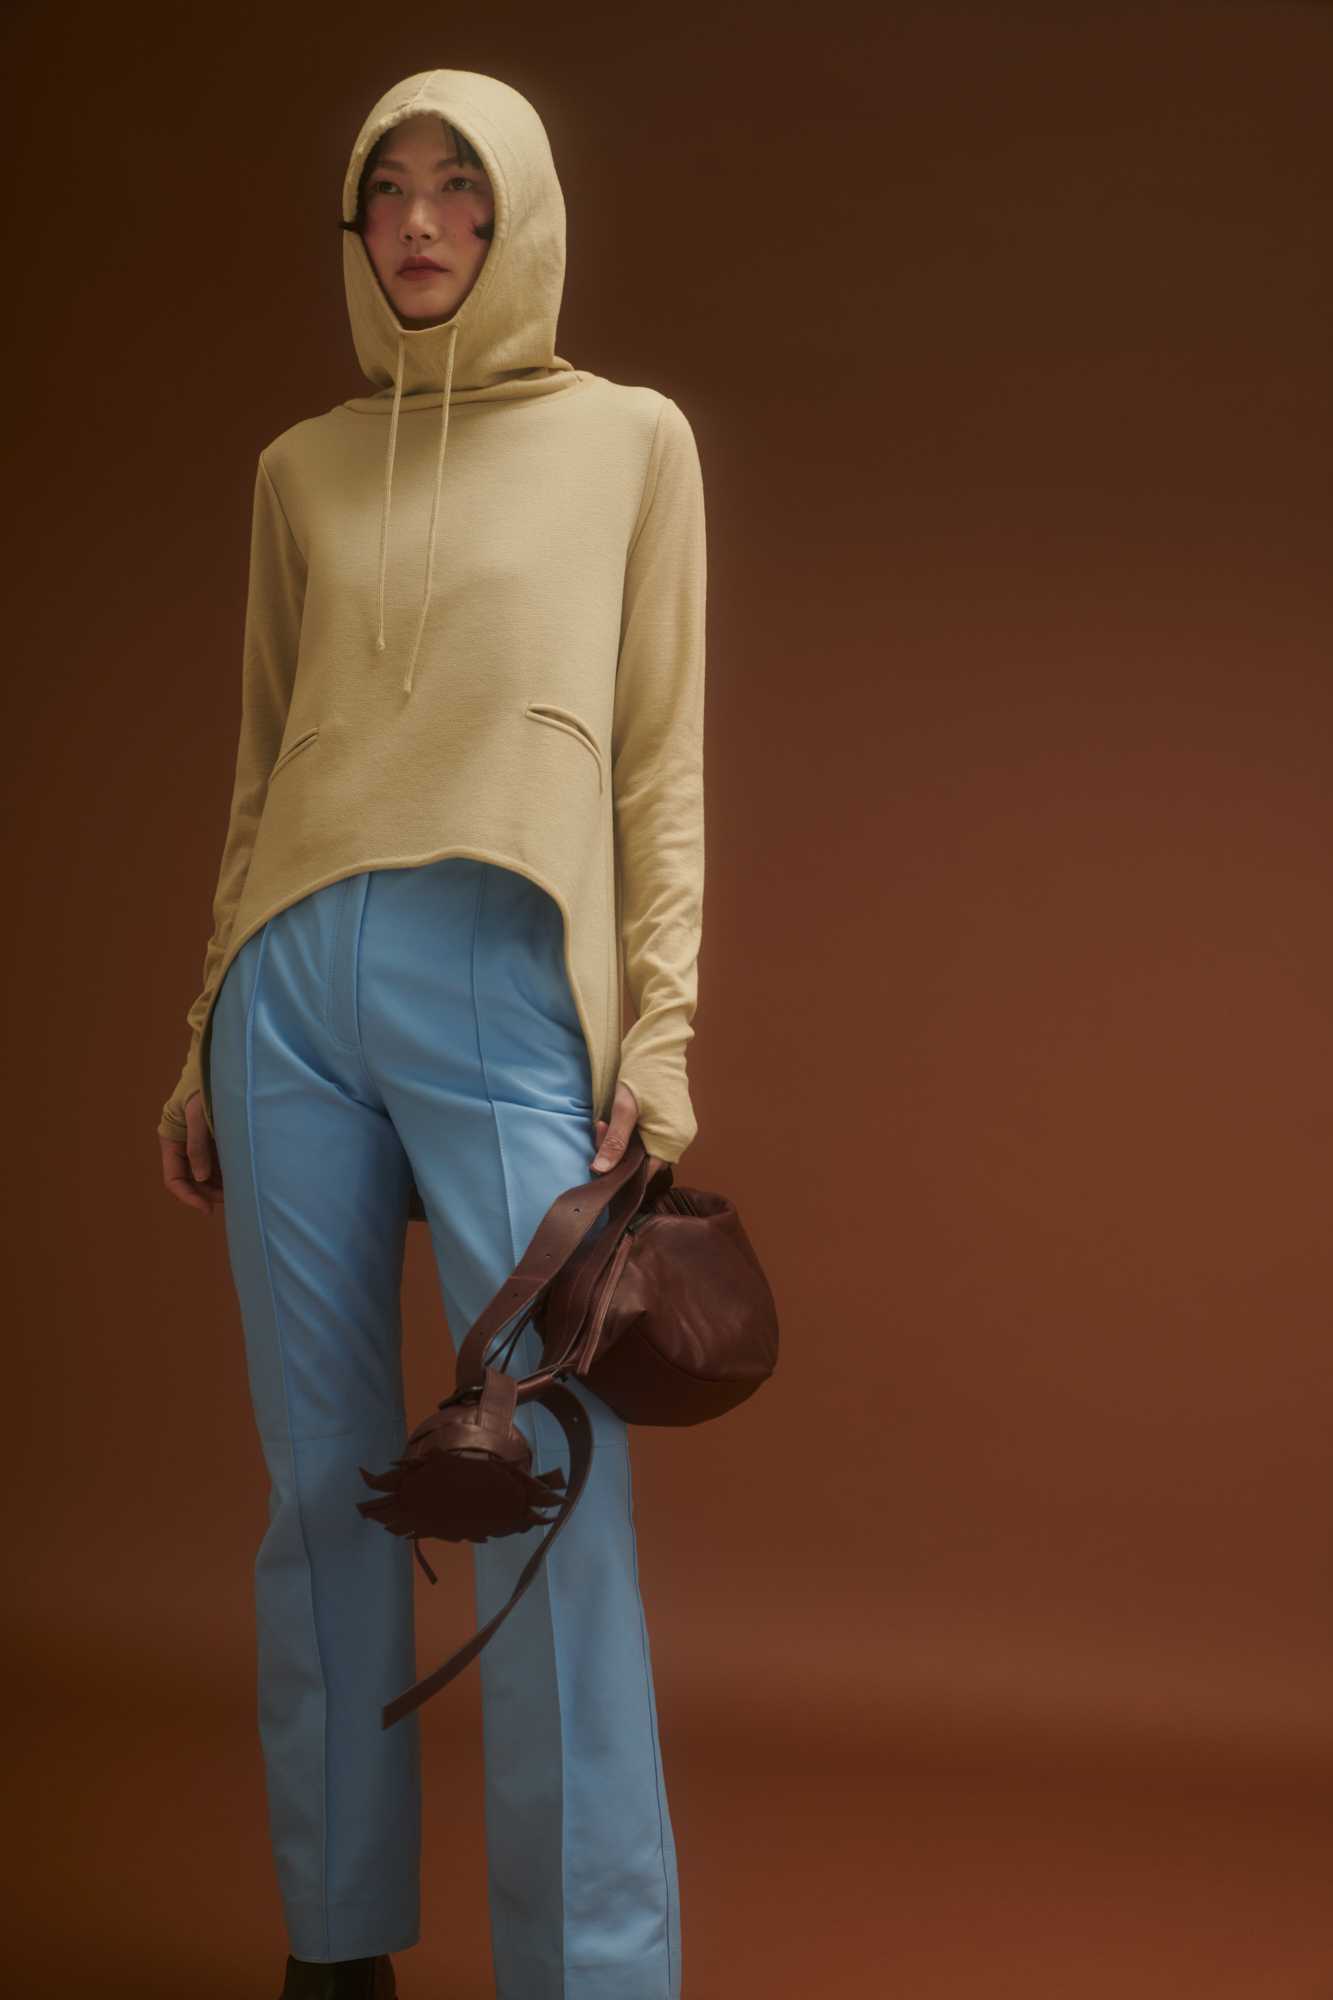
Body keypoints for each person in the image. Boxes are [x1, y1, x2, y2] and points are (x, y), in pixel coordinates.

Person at [157, 68, 704, 2000]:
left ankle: (592, 1970)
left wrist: (663, 1025)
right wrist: (199, 1028)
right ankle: (335, 1946)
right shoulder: (300, 468)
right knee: (320, 1487)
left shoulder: (629, 439)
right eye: (384, 187)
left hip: (500, 970)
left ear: (516, 213)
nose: (416, 220)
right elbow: (262, 768)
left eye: (458, 186)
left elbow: (657, 758)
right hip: (287, 993)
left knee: (546, 1482)